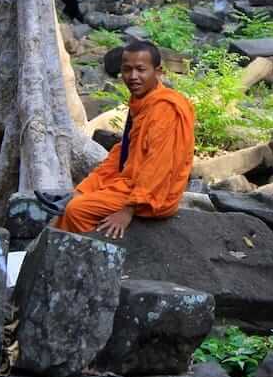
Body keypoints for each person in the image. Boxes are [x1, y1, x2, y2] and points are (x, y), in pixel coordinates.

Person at [55, 40, 195, 238]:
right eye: (127, 70)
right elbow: (123, 155)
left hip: (154, 194)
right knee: (68, 205)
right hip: (130, 183)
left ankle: (88, 260)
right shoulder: (142, 103)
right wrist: (85, 188)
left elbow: (159, 165)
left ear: (158, 72)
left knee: (76, 210)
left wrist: (128, 209)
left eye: (141, 69)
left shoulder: (166, 108)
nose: (133, 77)